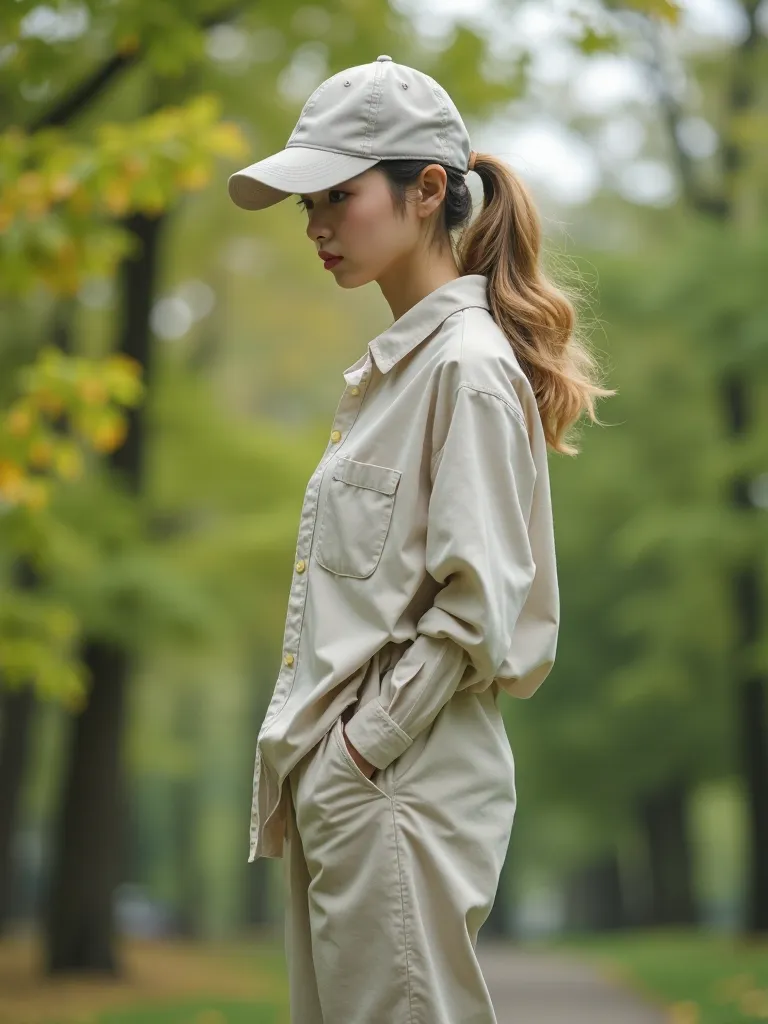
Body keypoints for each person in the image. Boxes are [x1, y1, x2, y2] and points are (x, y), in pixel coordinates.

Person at [227, 53, 614, 1024]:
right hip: (358, 792)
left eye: (338, 195)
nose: (315, 226)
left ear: (428, 189)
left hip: (394, 788)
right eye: (306, 204)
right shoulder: (400, 374)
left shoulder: (465, 370)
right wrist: (332, 773)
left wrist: (361, 753)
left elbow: (478, 607)